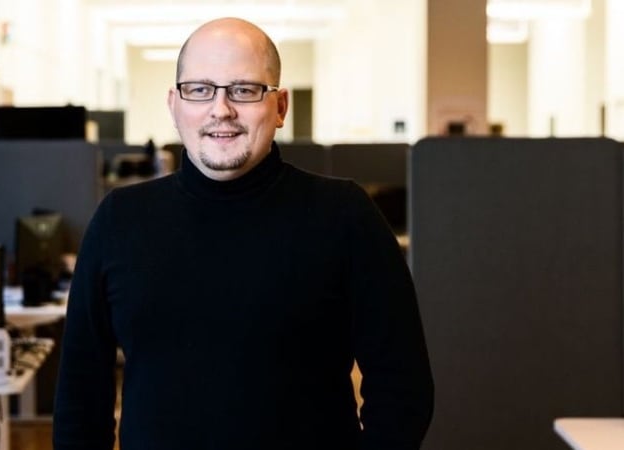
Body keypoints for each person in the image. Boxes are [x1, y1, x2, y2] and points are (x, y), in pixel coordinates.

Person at [53, 17, 433, 450]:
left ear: (281, 107)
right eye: (200, 89)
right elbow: (81, 397)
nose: (221, 109)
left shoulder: (345, 216)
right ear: (174, 104)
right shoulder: (119, 221)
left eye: (244, 90)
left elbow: (403, 389)